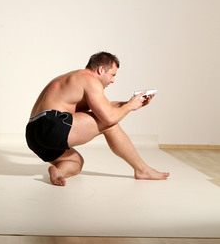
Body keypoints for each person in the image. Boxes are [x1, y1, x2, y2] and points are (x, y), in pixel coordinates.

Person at [26, 51, 170, 186]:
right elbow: (108, 118)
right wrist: (130, 107)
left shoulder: (74, 78)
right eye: (112, 75)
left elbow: (105, 106)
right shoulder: (91, 81)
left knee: (76, 162)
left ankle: (58, 171)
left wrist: (129, 102)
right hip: (51, 126)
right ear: (101, 70)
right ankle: (142, 169)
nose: (113, 80)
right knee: (110, 124)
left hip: (34, 134)